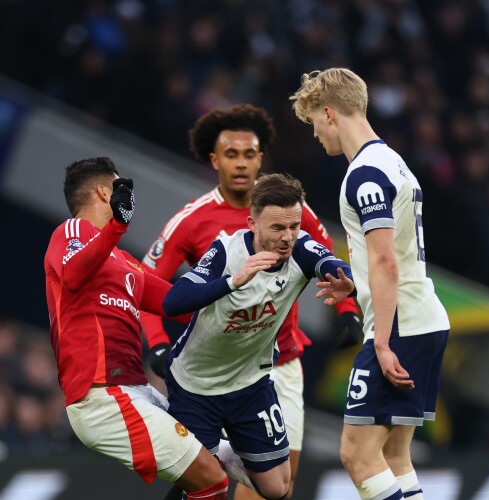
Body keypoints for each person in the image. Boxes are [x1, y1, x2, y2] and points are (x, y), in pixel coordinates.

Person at [141, 103, 362, 499]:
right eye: (231, 154)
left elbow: (326, 259)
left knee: (278, 486)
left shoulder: (291, 211)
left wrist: (347, 309)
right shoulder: (192, 222)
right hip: (209, 368)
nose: (241, 163)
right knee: (204, 478)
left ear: (261, 158)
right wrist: (157, 342)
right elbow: (151, 287)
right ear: (215, 160)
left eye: (249, 154)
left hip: (278, 361)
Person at [290, 68, 450, 500]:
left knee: (357, 456)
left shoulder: (364, 175)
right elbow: (390, 255)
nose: (315, 135)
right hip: (424, 319)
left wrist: (381, 341)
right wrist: (358, 285)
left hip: (400, 327)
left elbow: (385, 261)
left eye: (314, 123)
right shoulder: (393, 162)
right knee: (394, 458)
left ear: (329, 113)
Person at [44, 157, 228, 500]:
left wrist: (232, 284)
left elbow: (177, 303)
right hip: (100, 395)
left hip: (137, 391)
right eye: (119, 186)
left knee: (233, 458)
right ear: (104, 192)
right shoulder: (70, 232)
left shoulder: (124, 260)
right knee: (212, 479)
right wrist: (117, 226)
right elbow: (72, 273)